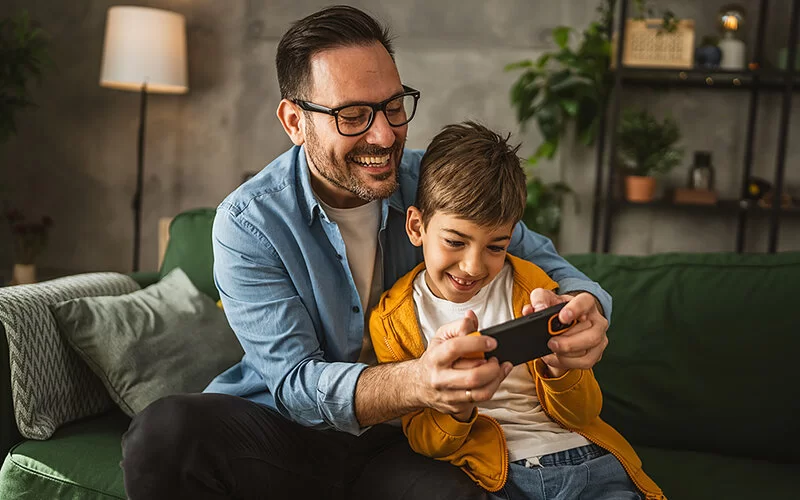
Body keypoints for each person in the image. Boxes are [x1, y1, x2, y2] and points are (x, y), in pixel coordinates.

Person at [120, 6, 613, 499]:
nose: (384, 135)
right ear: (295, 121)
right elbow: (294, 384)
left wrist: (588, 312)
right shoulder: (249, 223)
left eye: (393, 107)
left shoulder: (435, 187)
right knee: (164, 433)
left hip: (401, 442)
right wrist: (420, 381)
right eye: (353, 115)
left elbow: (554, 270)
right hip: (288, 434)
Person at [369, 121, 664, 500]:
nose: (474, 266)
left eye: (496, 246)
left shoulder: (533, 287)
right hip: (502, 480)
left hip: (592, 464)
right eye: (456, 242)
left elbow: (583, 412)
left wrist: (559, 369)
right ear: (416, 226)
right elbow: (429, 443)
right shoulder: (395, 321)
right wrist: (458, 404)